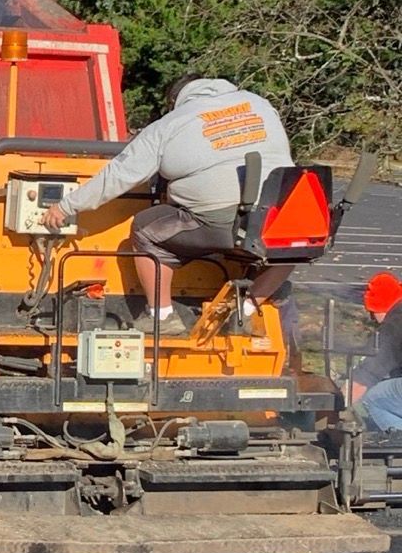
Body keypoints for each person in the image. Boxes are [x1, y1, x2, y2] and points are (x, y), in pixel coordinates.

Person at [41, 75, 294, 336]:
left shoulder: (170, 124)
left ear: (175, 100)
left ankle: (161, 317)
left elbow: (119, 175)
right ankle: (245, 310)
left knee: (145, 230)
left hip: (217, 221)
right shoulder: (259, 104)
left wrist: (66, 206)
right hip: (279, 215)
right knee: (297, 245)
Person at [352, 272, 402, 432]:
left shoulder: (394, 323)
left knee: (373, 397)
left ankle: (397, 446)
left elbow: (366, 376)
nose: (372, 319)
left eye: (372, 312)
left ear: (379, 307)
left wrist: (338, 406)